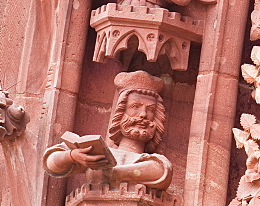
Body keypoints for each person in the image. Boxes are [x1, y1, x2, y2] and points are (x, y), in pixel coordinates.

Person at [43, 71, 172, 191]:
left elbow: (162, 173)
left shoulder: (153, 162)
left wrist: (110, 173)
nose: (143, 115)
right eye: (135, 106)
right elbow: (50, 162)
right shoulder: (100, 152)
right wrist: (73, 156)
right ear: (121, 112)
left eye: (150, 110)